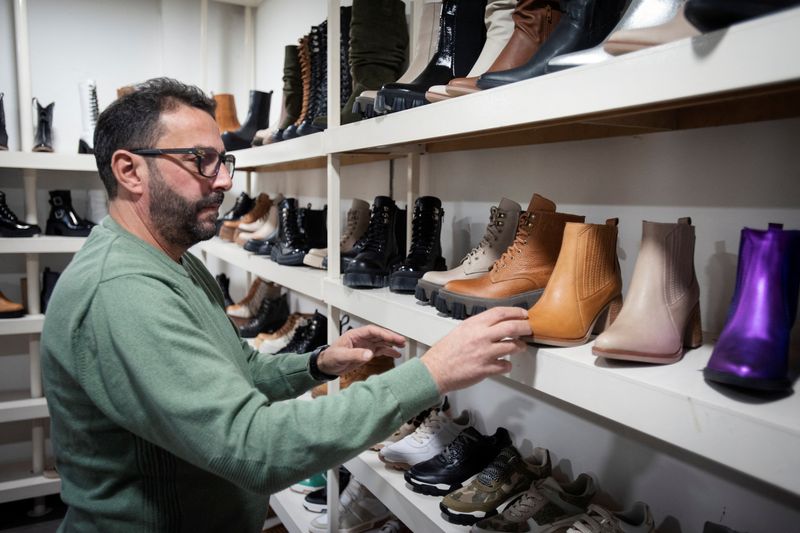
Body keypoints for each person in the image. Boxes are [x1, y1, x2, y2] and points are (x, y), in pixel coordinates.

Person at [41, 77, 531, 532]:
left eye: (223, 160)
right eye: (200, 160)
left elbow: (236, 371)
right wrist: (430, 375)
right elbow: (257, 448)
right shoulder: (124, 290)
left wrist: (317, 363)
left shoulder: (168, 260)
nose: (223, 181)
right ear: (130, 171)